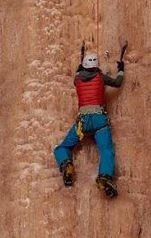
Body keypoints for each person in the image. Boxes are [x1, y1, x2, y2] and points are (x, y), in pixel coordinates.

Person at [53, 48, 125, 198]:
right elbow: (117, 83)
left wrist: (79, 69)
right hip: (99, 120)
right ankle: (105, 176)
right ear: (96, 66)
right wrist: (121, 70)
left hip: (83, 122)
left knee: (63, 147)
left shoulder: (77, 78)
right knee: (106, 151)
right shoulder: (101, 77)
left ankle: (66, 163)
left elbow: (78, 75)